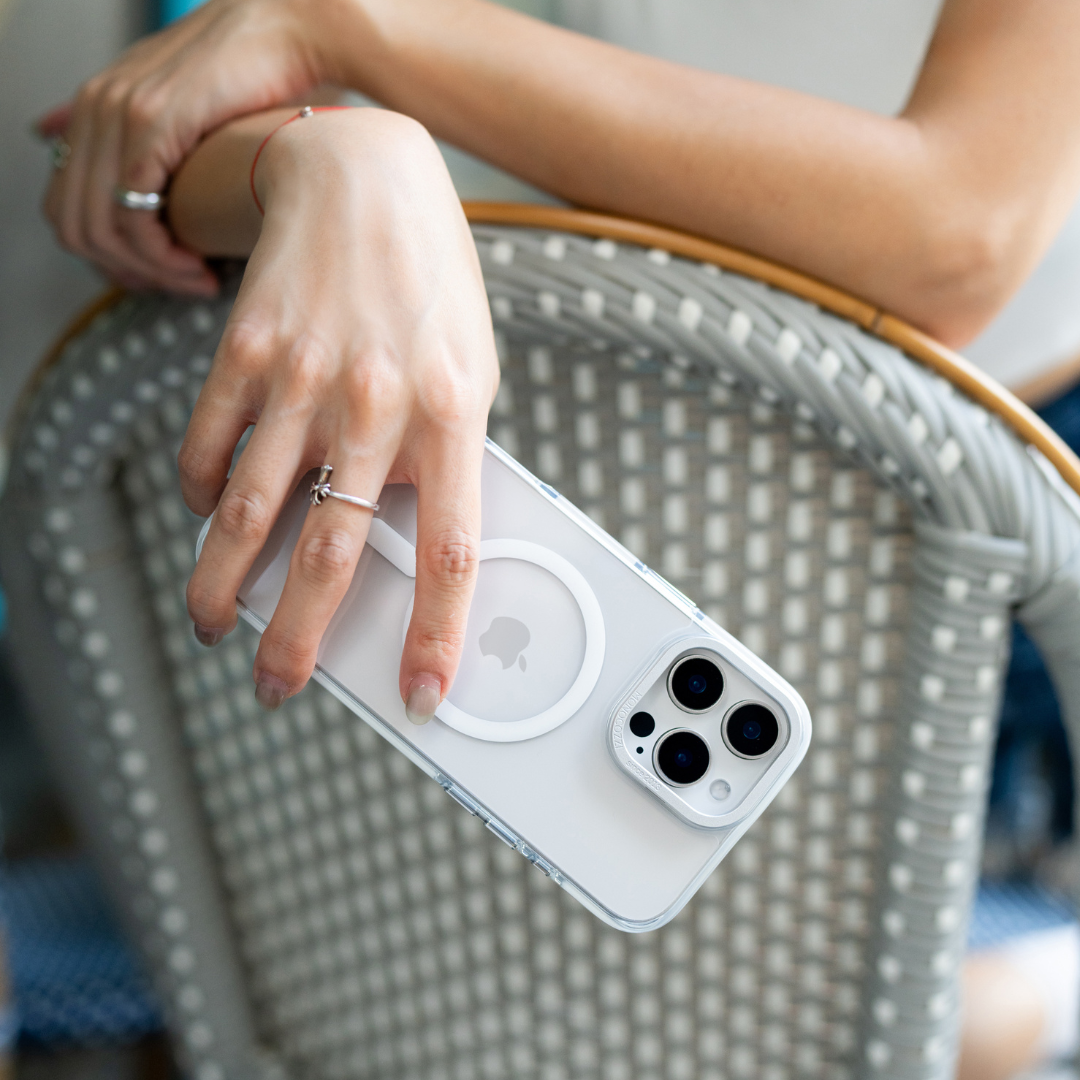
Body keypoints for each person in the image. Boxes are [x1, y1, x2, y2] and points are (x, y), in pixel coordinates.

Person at [35, 1, 1080, 1077]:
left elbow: (957, 238)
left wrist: (342, 33)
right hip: (488, 599)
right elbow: (128, 155)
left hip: (955, 645)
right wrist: (339, 156)